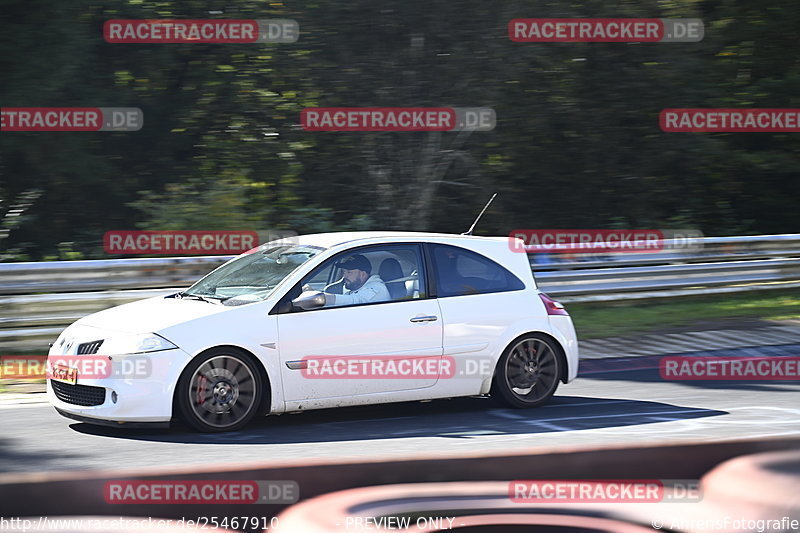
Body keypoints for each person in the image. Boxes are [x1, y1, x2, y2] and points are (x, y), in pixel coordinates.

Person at [303, 254, 390, 307]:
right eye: (344, 271)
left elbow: (355, 301)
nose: (344, 276)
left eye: (349, 272)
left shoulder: (376, 288)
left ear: (362, 274)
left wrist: (320, 298)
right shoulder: (355, 286)